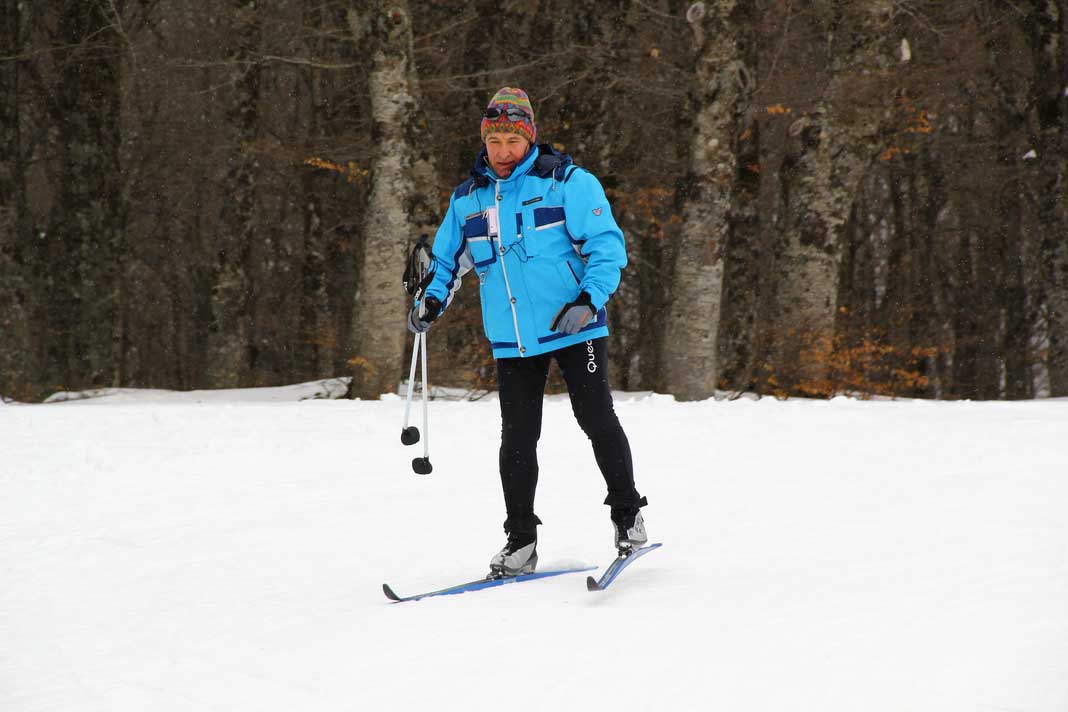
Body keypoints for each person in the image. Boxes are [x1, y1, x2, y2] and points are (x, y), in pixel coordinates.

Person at [408, 86, 647, 577]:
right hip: (513, 336)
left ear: (530, 138)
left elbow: (606, 248)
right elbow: (446, 264)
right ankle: (521, 541)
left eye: (512, 141)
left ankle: (628, 517)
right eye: (494, 141)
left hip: (575, 326)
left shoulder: (566, 183)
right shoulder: (468, 200)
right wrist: (428, 302)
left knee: (596, 418)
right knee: (517, 438)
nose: (503, 151)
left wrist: (588, 301)